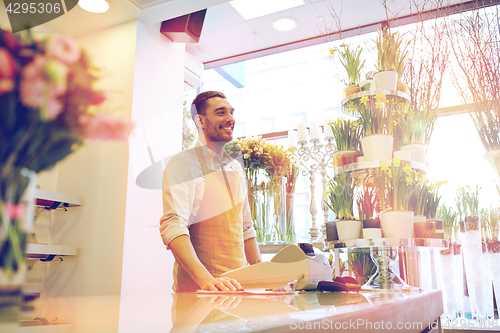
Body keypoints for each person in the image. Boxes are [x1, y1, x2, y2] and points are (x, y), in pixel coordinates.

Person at [160, 91, 262, 293]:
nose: (230, 119)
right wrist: (206, 280)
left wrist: (266, 277)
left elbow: (245, 229)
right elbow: (173, 226)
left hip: (237, 291)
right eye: (221, 112)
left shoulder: (235, 168)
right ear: (200, 121)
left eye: (231, 112)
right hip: (201, 293)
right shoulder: (183, 164)